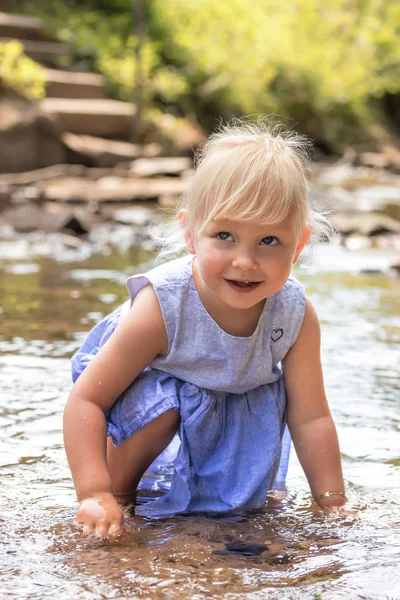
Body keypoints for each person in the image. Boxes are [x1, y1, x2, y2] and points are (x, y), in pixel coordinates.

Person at [64, 118, 346, 538]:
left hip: (231, 400)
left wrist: (332, 503)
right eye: (225, 235)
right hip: (146, 402)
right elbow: (86, 399)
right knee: (170, 403)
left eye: (269, 241)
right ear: (191, 234)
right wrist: (94, 492)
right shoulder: (162, 307)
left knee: (245, 505)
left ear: (299, 244)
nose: (245, 261)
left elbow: (311, 417)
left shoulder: (294, 313)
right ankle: (123, 496)